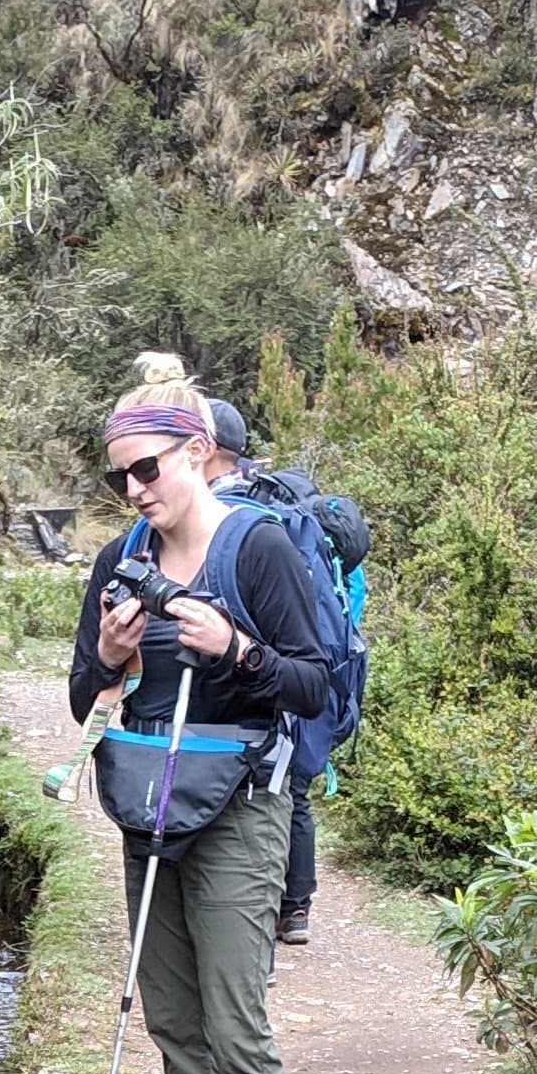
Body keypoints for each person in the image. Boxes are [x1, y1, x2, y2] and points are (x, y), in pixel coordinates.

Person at [68, 356, 330, 1074]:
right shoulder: (121, 558)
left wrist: (242, 650)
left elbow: (318, 681)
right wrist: (106, 653)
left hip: (240, 808)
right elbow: (79, 698)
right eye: (119, 479)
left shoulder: (258, 549)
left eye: (149, 470)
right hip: (150, 801)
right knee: (175, 1015)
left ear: (199, 453)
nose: (135, 491)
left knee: (233, 1012)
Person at [203, 397, 320, 948]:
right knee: (293, 791)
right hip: (287, 696)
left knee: (264, 796)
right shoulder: (278, 508)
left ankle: (254, 925)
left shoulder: (232, 519)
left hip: (252, 696)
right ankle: (293, 909)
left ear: (201, 450)